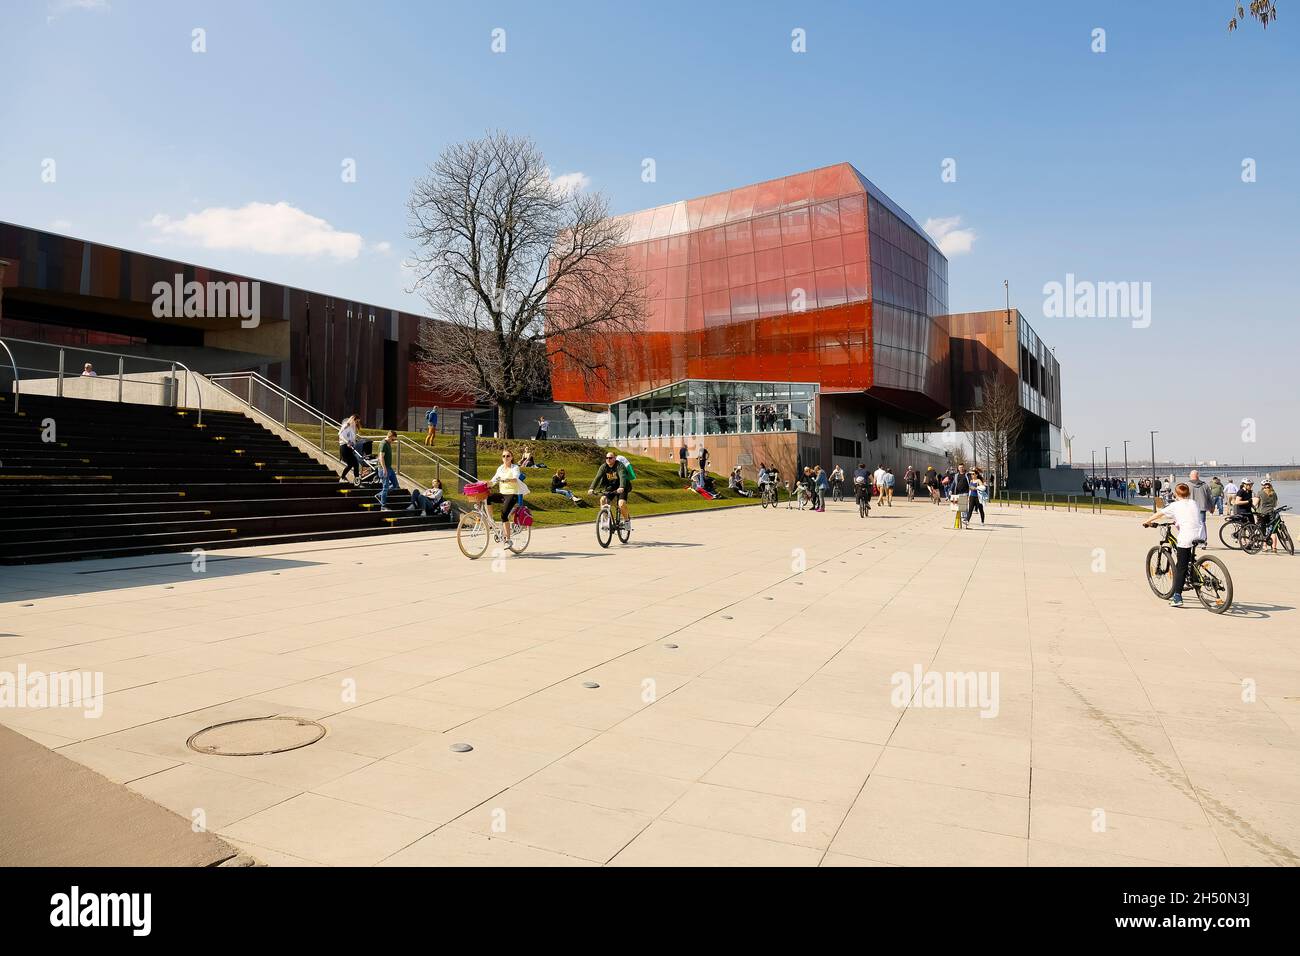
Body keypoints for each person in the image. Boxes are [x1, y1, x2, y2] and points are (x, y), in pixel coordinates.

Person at [1142, 482, 1205, 608]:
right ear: (1189, 493)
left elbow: (1159, 514)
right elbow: (1188, 516)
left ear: (1176, 494)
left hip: (1186, 537)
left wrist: (1147, 521)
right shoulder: (1194, 503)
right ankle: (1193, 571)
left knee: (1180, 567)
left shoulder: (1175, 505)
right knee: (1188, 559)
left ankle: (1177, 596)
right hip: (1200, 534)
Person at [490, 449, 524, 545]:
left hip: (512, 494)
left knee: (504, 515)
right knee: (488, 497)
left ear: (511, 458)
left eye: (508, 456)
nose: (505, 458)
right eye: (503, 456)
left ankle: (508, 540)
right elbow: (493, 481)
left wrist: (505, 480)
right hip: (502, 494)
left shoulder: (515, 467)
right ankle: (491, 520)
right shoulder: (500, 468)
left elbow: (515, 478)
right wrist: (484, 484)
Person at [589, 450, 632, 523]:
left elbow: (622, 476)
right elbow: (597, 477)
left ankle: (627, 521)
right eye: (607, 458)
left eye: (610, 458)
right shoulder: (603, 466)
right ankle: (606, 521)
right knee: (603, 500)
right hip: (611, 487)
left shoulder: (619, 465)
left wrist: (621, 487)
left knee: (621, 504)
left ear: (615, 458)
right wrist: (591, 488)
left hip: (622, 487)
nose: (608, 459)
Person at [1187, 470, 1213, 545]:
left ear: (1191, 476)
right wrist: (1211, 507)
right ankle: (1203, 540)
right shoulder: (1205, 485)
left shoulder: (1187, 485)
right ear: (1198, 476)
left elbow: (1183, 497)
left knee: (1191, 524)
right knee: (1202, 524)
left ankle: (1192, 540)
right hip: (1202, 507)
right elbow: (1210, 497)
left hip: (1190, 508)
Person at [376, 430, 399, 510]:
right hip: (384, 468)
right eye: (393, 440)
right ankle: (383, 506)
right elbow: (381, 457)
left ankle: (380, 495)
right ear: (389, 436)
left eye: (395, 440)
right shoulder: (383, 444)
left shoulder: (388, 443)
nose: (393, 441)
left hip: (389, 468)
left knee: (396, 485)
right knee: (385, 487)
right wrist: (384, 469)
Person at [1255, 480, 1280, 551]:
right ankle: (1274, 547)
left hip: (1262, 514)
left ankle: (1265, 547)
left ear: (1263, 486)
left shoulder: (1260, 493)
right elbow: (1275, 504)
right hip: (1271, 513)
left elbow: (1255, 503)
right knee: (1273, 531)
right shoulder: (1274, 493)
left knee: (1263, 530)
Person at [338, 416, 361, 484]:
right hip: (344, 446)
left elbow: (351, 438)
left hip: (349, 447)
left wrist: (354, 441)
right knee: (352, 463)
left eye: (358, 422)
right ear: (353, 420)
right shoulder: (346, 425)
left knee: (355, 463)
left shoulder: (352, 427)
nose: (357, 423)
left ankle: (356, 480)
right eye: (356, 421)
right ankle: (342, 478)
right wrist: (347, 441)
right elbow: (340, 434)